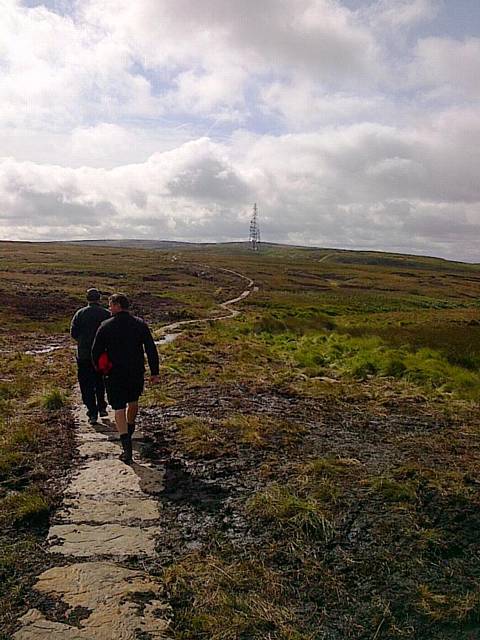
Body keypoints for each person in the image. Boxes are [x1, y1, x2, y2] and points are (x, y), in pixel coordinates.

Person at [91, 293, 160, 464]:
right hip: (135, 371)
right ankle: (130, 427)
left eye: (110, 304)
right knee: (133, 402)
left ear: (117, 305)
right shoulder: (140, 324)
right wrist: (154, 372)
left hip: (114, 373)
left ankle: (126, 446)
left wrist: (100, 369)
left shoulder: (105, 326)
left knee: (118, 408)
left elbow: (95, 351)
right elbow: (151, 349)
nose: (109, 308)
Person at [70, 288, 111, 425]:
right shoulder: (106, 313)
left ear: (87, 298)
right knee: (100, 381)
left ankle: (92, 412)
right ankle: (102, 406)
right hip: (101, 354)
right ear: (99, 298)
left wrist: (83, 342)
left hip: (84, 354)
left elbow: (73, 333)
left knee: (86, 383)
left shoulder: (80, 314)